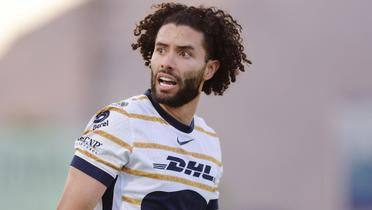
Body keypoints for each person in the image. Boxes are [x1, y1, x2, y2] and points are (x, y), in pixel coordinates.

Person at [57, 2, 251, 210]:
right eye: (161, 49)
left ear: (210, 69)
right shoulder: (119, 120)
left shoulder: (208, 140)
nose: (166, 62)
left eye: (184, 53)